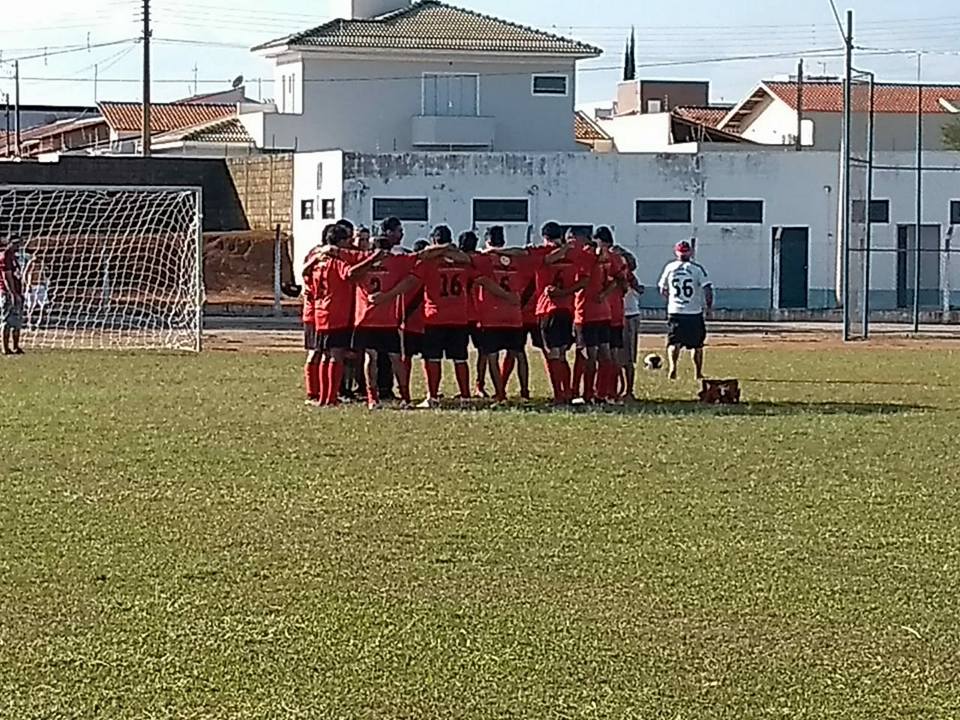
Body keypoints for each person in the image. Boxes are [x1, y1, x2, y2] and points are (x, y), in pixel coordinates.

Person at [530, 222, 595, 405]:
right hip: (567, 309)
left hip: (547, 308)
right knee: (562, 354)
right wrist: (567, 292)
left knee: (553, 354)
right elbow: (585, 279)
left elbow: (545, 260)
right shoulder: (574, 254)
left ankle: (559, 395)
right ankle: (567, 393)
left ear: (544, 237)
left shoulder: (541, 251)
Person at [472, 227, 537, 404]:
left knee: (492, 356)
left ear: (487, 241)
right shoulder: (515, 259)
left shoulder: (484, 259)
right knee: (519, 353)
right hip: (514, 314)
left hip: (491, 315)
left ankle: (500, 393)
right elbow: (525, 253)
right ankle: (524, 391)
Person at [310, 223, 355, 405]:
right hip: (336, 312)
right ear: (340, 242)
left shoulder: (317, 262)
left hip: (321, 312)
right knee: (336, 355)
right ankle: (331, 397)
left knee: (325, 355)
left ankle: (323, 397)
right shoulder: (337, 262)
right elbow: (350, 275)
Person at [658, 239, 713, 380]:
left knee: (674, 341)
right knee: (697, 345)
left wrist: (671, 299)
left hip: (675, 310)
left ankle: (673, 368)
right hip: (693, 311)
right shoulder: (696, 269)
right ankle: (698, 372)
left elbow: (662, 288)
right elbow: (707, 288)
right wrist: (708, 306)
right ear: (690, 252)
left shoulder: (670, 268)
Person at [570, 228, 610, 404]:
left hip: (586, 313)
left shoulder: (584, 257)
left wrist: (564, 292)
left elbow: (583, 281)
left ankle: (588, 394)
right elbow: (616, 280)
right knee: (604, 355)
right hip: (603, 313)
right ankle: (600, 393)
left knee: (589, 355)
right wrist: (604, 294)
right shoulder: (604, 257)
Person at [596, 227, 629, 402]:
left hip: (601, 313)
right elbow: (624, 284)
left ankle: (601, 390)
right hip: (617, 312)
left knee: (600, 354)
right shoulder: (618, 258)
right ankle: (612, 391)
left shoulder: (599, 258)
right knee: (613, 353)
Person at [620, 251, 644, 401]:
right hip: (615, 316)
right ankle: (619, 388)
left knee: (627, 358)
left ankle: (628, 390)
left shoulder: (629, 278)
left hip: (628, 316)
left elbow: (634, 289)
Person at [1, 236, 25, 356]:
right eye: (17, 243)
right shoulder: (5, 255)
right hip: (8, 292)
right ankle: (5, 348)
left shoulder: (14, 256)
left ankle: (15, 346)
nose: (19, 246)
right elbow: (7, 276)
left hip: (17, 292)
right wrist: (12, 293)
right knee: (7, 320)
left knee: (17, 320)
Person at [23, 250, 50, 332]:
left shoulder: (41, 263)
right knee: (31, 306)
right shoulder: (31, 263)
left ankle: (40, 322)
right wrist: (28, 285)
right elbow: (25, 274)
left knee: (44, 305)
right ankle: (30, 323)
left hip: (40, 286)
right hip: (32, 286)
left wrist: (45, 283)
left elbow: (43, 274)